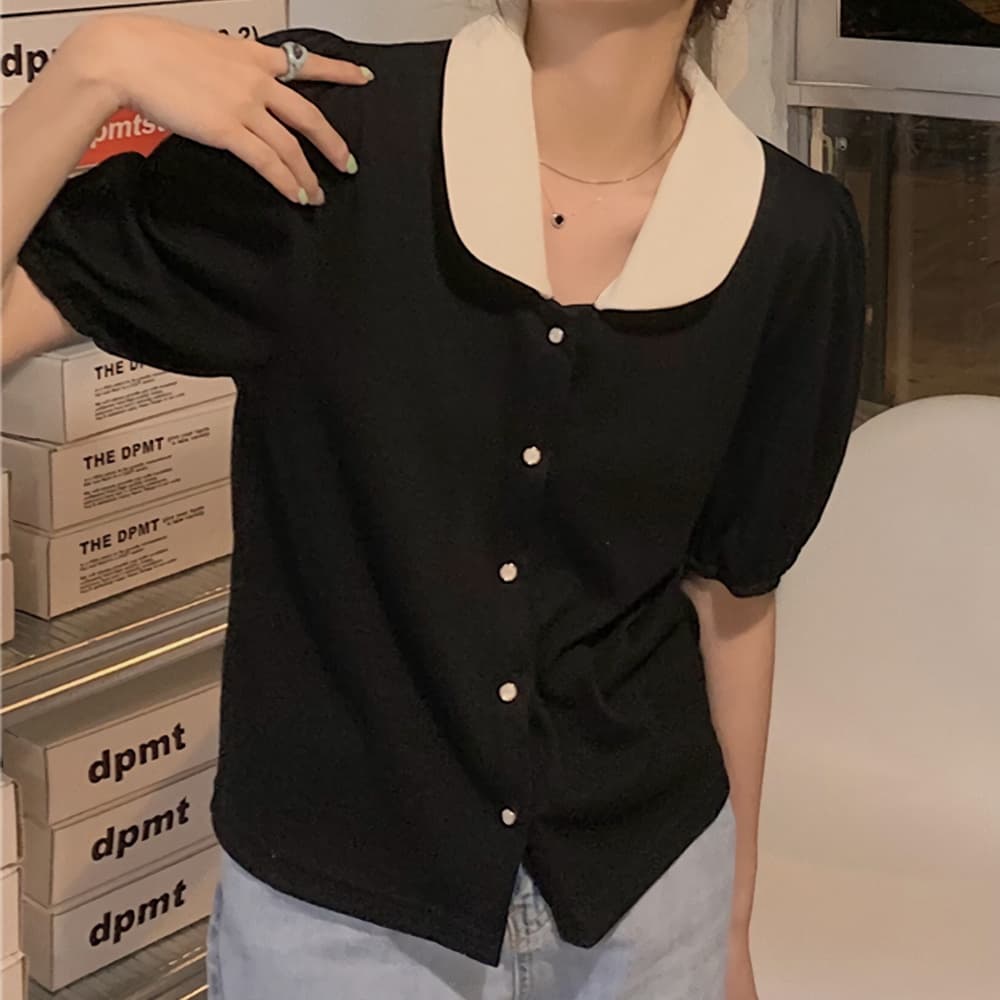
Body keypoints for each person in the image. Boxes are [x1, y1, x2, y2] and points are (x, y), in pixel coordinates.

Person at [0, 1, 866, 998]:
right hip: (341, 925)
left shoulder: (792, 233)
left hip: (655, 901)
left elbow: (732, 594)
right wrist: (93, 66)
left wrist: (733, 925)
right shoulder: (332, 134)